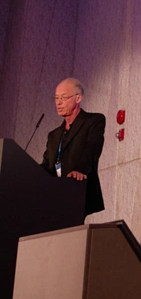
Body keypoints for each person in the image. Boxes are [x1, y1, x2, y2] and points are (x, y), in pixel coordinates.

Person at [40, 78, 105, 217]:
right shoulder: (54, 135)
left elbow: (92, 149)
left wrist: (79, 170)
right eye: (56, 98)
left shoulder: (93, 121)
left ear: (78, 98)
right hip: (55, 197)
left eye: (63, 98)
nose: (58, 102)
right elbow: (46, 166)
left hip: (78, 190)